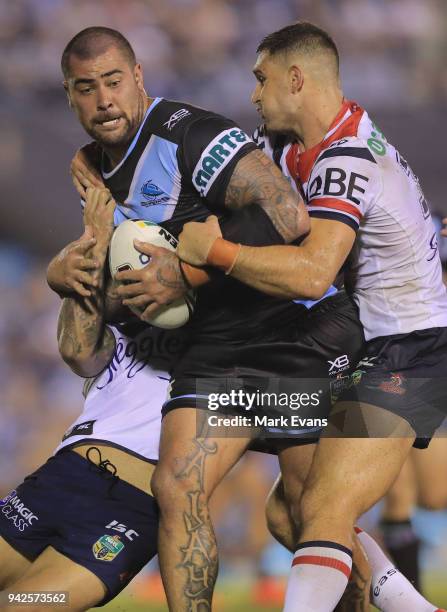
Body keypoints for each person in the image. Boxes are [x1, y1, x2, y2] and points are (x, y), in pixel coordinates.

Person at [53, 26, 372, 612]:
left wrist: (185, 272)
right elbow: (92, 341)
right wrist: (75, 278)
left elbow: (287, 213)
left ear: (140, 78)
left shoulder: (188, 135)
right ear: (70, 97)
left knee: (303, 516)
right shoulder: (96, 179)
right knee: (176, 486)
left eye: (115, 82)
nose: (104, 100)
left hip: (292, 331)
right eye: (86, 88)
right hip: (218, 347)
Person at [176, 22, 447, 612]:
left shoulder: (348, 158)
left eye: (261, 78)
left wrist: (215, 253)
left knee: (324, 509)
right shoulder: (287, 148)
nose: (253, 94)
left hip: (412, 349)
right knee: (288, 512)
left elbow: (311, 273)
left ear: (295, 80)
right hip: (362, 345)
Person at [0, 188, 184, 610]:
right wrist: (93, 241)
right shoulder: (120, 331)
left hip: (129, 514)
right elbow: (78, 353)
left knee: (22, 604)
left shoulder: (228, 340)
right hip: (60, 481)